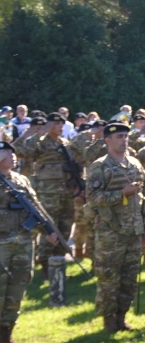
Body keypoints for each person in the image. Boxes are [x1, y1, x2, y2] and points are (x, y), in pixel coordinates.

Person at [88, 120, 145, 334]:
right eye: (119, 137)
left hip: (134, 231)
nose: (124, 140)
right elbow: (93, 197)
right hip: (111, 232)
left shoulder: (135, 164)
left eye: (126, 136)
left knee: (129, 277)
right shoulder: (99, 166)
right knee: (109, 277)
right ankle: (108, 320)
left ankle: (122, 317)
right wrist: (121, 194)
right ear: (107, 140)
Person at [0, 141, 59, 343]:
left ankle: (7, 334)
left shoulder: (21, 180)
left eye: (12, 152)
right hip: (2, 243)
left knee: (19, 285)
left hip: (24, 241)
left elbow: (35, 208)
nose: (12, 155)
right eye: (5, 152)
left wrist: (48, 230)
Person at [12, 112, 78, 271]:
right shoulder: (40, 143)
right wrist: (36, 133)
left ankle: (58, 264)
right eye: (56, 124)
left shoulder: (65, 144)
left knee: (65, 227)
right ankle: (45, 264)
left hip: (66, 193)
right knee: (49, 229)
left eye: (62, 124)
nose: (60, 127)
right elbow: (19, 150)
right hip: (48, 194)